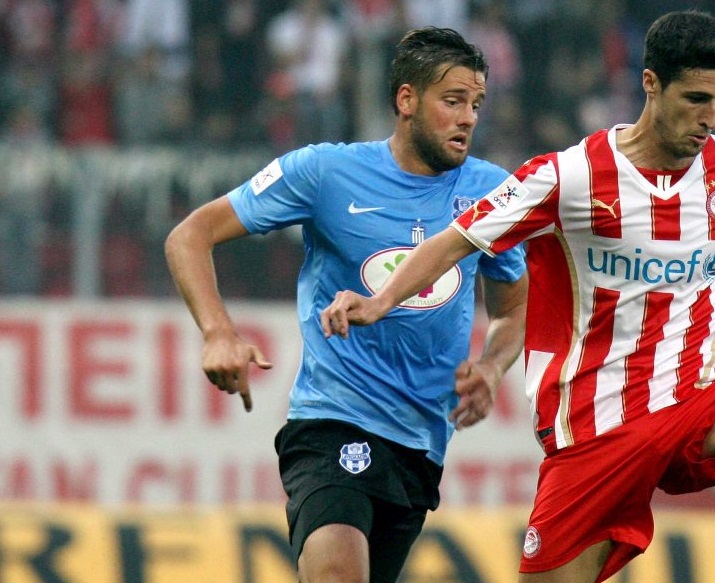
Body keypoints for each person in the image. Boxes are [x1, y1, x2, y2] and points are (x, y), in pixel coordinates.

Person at [321, 10, 715, 583]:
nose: (710, 118)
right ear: (650, 83)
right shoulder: (569, 177)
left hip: (698, 403)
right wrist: (380, 301)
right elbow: (457, 239)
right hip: (596, 431)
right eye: (696, 98)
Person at [164, 27, 528, 583]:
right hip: (333, 419)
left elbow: (512, 310)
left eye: (476, 105)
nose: (468, 119)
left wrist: (492, 366)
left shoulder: (494, 192)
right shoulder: (325, 172)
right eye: (453, 101)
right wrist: (218, 332)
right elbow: (190, 235)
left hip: (422, 441)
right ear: (406, 100)